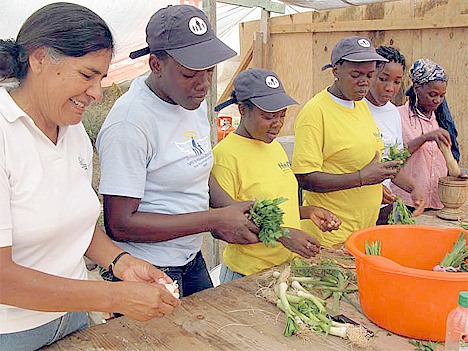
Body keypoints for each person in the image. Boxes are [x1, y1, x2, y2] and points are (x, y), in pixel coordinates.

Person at [0, 3, 180, 351]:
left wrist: (120, 262)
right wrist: (113, 297)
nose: (97, 93)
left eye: (101, 78)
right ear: (38, 60)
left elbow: (72, 224)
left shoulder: (74, 133)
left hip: (74, 320)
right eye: (87, 76)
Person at [96, 5, 259, 298]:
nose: (204, 84)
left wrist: (232, 208)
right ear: (156, 64)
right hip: (147, 267)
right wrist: (214, 219)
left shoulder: (191, 101)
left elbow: (197, 168)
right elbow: (119, 224)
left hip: (190, 258)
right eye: (189, 74)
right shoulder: (130, 123)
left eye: (209, 70)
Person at [212, 68, 341, 283]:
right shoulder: (225, 156)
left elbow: (276, 206)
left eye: (282, 115)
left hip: (282, 269)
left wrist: (308, 212)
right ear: (243, 109)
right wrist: (284, 235)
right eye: (269, 116)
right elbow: (223, 226)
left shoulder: (273, 146)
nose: (278, 124)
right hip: (246, 276)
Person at [292, 36, 402, 247]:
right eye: (356, 75)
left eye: (370, 75)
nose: (364, 82)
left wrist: (375, 187)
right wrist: (362, 178)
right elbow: (305, 178)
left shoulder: (359, 105)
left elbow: (352, 160)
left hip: (362, 232)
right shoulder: (316, 112)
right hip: (330, 237)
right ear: (335, 71)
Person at [390, 58, 467, 210]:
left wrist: (456, 175)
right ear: (417, 89)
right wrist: (425, 138)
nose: (437, 100)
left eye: (442, 96)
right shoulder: (397, 116)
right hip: (407, 203)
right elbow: (393, 158)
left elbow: (446, 161)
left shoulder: (442, 121)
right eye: (432, 94)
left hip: (437, 203)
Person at [364, 46, 426, 224]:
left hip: (381, 211)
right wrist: (372, 189)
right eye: (383, 79)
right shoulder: (356, 109)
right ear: (370, 75)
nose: (390, 88)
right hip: (351, 210)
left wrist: (413, 188)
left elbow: (392, 166)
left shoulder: (393, 113)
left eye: (397, 82)